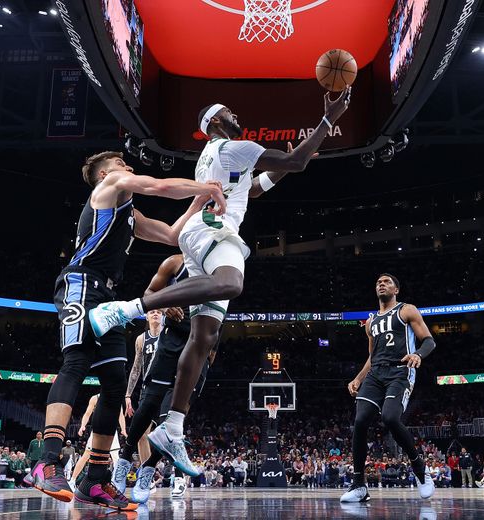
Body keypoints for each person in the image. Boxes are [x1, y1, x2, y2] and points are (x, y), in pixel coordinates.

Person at [90, 91, 352, 477]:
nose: (236, 114)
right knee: (230, 283)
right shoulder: (232, 146)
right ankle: (129, 309)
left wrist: (299, 157)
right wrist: (327, 121)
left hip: (198, 235)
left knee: (205, 336)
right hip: (213, 231)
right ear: (214, 122)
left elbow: (256, 186)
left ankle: (173, 427)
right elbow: (293, 161)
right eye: (229, 112)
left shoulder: (221, 156)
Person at [28, 150, 224, 510]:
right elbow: (160, 185)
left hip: (107, 295)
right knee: (76, 362)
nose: (128, 168)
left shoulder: (128, 214)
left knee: (116, 383)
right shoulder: (108, 185)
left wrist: (198, 199)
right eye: (121, 164)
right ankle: (47, 458)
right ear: (104, 172)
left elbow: (170, 234)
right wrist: (209, 186)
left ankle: (96, 479)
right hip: (81, 283)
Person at [109, 254, 218, 502]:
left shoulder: (223, 266)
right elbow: (149, 293)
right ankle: (124, 459)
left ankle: (147, 470)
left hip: (200, 345)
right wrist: (165, 305)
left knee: (169, 423)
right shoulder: (175, 263)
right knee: (148, 404)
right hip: (173, 341)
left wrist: (211, 356)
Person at [341, 274, 437, 503]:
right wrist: (358, 378)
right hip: (376, 374)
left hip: (400, 371)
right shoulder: (371, 322)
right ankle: (359, 485)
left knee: (390, 418)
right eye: (378, 282)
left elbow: (429, 341)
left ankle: (420, 470)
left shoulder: (407, 310)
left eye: (386, 282)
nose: (381, 284)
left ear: (396, 289)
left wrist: (418, 354)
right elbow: (372, 357)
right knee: (360, 421)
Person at [122, 309, 165, 466]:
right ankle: (147, 475)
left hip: (166, 389)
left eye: (159, 312)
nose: (155, 314)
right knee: (141, 434)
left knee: (168, 435)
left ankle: (178, 477)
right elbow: (136, 368)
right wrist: (128, 395)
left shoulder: (168, 335)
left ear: (163, 316)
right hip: (147, 390)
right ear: (146, 316)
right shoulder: (141, 339)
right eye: (152, 311)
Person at [64, 394, 128, 491]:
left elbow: (121, 416)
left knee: (116, 457)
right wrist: (82, 426)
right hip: (98, 429)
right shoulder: (95, 398)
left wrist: (123, 429)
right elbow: (87, 414)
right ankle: (72, 480)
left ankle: (117, 484)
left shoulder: (116, 397)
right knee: (86, 455)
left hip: (111, 429)